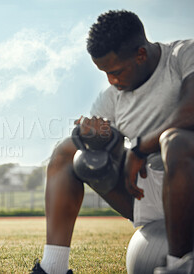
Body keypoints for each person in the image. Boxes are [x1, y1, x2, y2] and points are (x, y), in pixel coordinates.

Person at [31, 10, 194, 274]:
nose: (111, 80)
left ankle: (178, 267)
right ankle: (53, 268)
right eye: (105, 73)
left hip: (188, 174)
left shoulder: (183, 55)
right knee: (68, 152)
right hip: (147, 190)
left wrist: (141, 147)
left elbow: (191, 111)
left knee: (174, 142)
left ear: (140, 54)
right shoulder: (112, 97)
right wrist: (97, 138)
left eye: (116, 71)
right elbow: (110, 147)